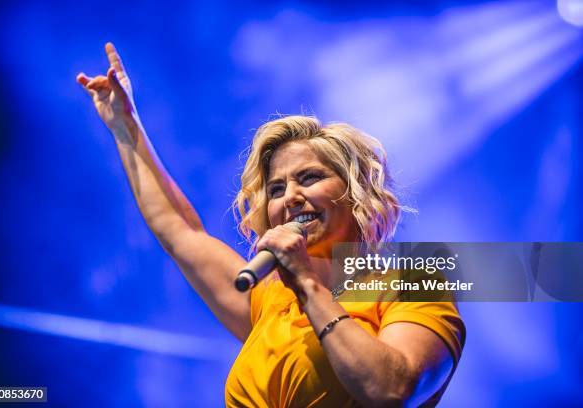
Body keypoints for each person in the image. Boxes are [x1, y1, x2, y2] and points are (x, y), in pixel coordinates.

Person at [77, 42, 465, 407]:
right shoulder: (271, 298)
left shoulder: (410, 283)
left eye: (309, 178)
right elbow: (179, 231)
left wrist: (308, 286)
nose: (290, 196)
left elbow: (392, 388)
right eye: (277, 188)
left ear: (356, 192)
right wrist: (125, 127)